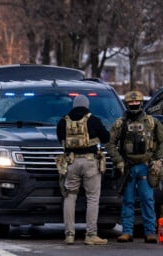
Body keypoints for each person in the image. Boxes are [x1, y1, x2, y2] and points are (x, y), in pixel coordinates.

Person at [106, 91, 163, 244]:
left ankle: (150, 232)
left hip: (146, 167)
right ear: (126, 104)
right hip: (127, 168)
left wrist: (158, 160)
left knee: (147, 199)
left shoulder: (152, 122)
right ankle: (127, 232)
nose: (134, 104)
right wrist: (118, 160)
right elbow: (109, 143)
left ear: (140, 103)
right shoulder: (120, 124)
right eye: (131, 103)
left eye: (136, 102)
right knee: (128, 200)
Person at [55, 94, 110, 245]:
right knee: (92, 198)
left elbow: (60, 138)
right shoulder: (93, 120)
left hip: (71, 162)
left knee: (70, 196)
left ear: (74, 105)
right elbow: (106, 137)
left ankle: (69, 235)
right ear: (87, 105)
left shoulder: (63, 121)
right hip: (90, 162)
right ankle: (91, 234)